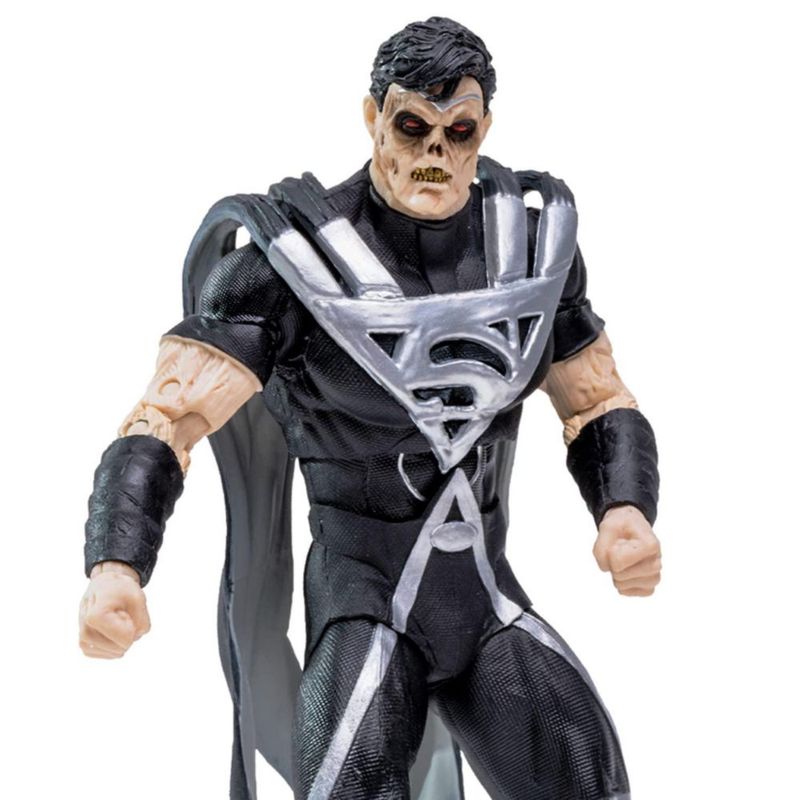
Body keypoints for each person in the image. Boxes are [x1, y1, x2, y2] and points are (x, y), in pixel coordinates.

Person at [79, 17, 661, 800]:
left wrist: (623, 510)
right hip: (364, 608)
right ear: (373, 119)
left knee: (592, 782)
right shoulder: (292, 267)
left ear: (484, 128)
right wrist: (118, 564)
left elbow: (598, 401)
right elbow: (165, 421)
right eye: (413, 126)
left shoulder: (525, 250)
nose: (435, 152)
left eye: (458, 131)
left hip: (486, 606)